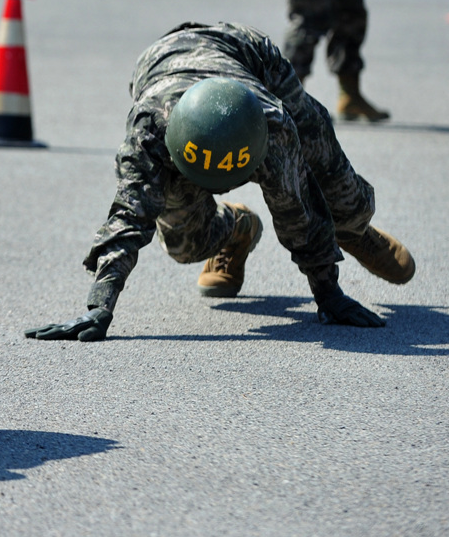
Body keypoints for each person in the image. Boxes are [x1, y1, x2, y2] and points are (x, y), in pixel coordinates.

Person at [24, 22, 415, 343]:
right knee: (184, 242)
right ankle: (237, 230)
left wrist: (328, 292)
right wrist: (99, 307)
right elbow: (129, 215)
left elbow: (296, 208)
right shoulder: (150, 132)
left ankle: (352, 229)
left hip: (251, 59)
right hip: (163, 65)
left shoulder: (273, 126)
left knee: (336, 189)